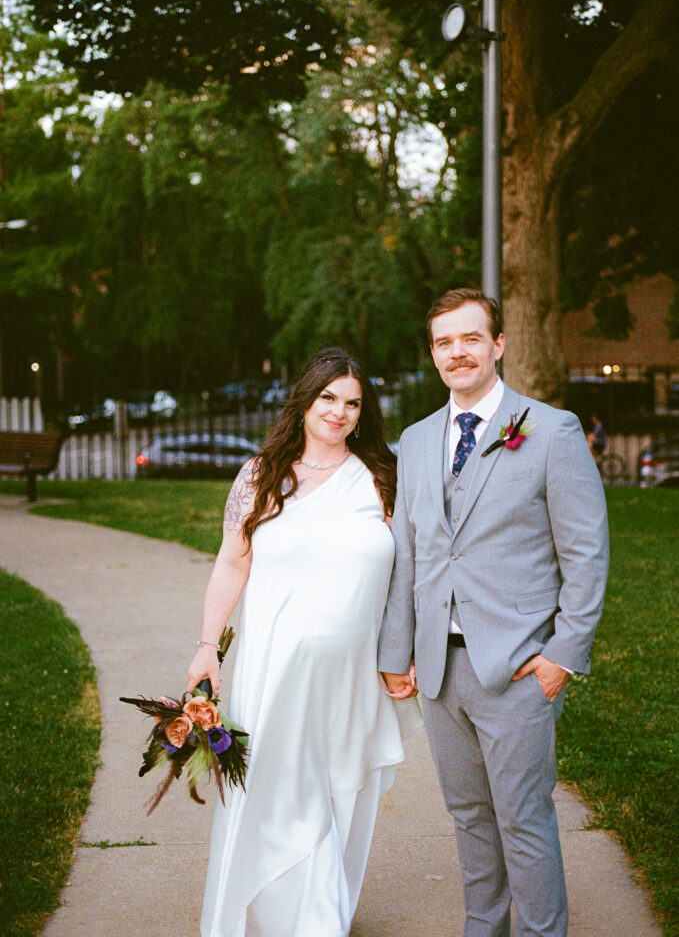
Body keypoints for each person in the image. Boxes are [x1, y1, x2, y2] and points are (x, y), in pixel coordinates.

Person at [378, 288, 609, 937]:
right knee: (469, 819)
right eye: (444, 342)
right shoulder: (416, 440)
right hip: (438, 671)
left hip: (517, 669)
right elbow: (408, 554)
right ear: (432, 353)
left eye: (470, 338)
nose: (457, 352)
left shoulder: (549, 429)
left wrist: (562, 656)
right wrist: (396, 653)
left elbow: (586, 552)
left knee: (522, 820)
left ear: (498, 345)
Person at [187, 348, 413, 937]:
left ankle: (321, 912)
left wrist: (404, 651)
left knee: (336, 792)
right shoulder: (261, 475)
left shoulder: (383, 478)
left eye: (352, 403)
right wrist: (208, 645)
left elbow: (409, 576)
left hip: (353, 674)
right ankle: (271, 916)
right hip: (275, 668)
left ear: (363, 413)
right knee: (275, 791)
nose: (339, 412)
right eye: (328, 398)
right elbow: (232, 563)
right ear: (305, 401)